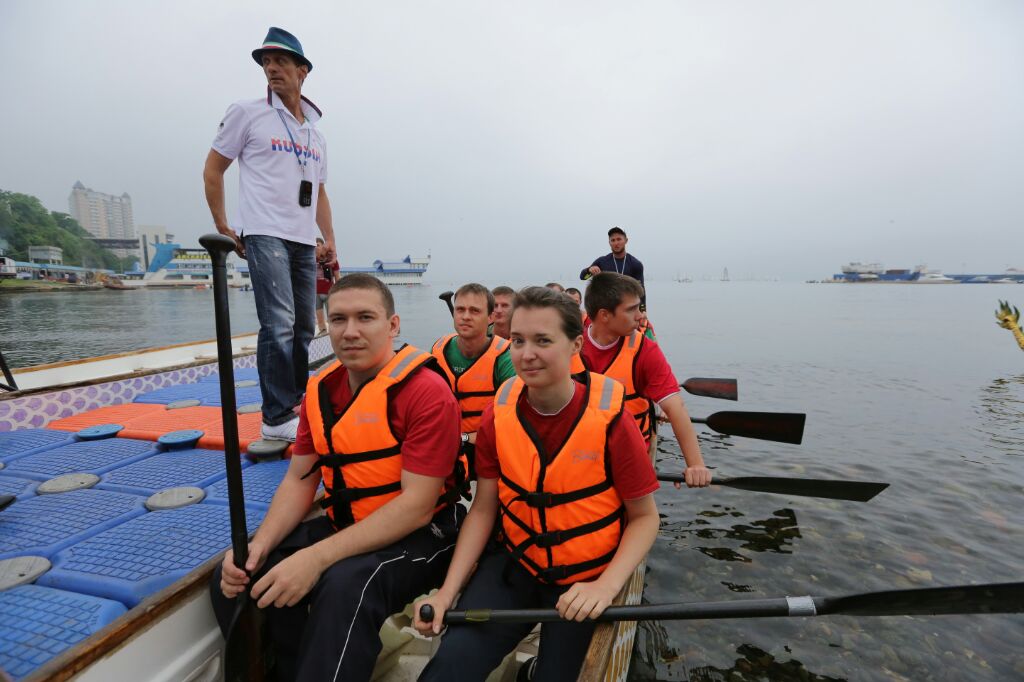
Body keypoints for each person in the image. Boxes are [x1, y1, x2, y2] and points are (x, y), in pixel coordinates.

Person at [210, 274, 465, 681]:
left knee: (346, 585)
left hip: (424, 534)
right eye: (339, 319)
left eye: (365, 317)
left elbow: (417, 507)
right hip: (346, 523)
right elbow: (299, 479)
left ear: (393, 325)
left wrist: (316, 558)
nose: (350, 331)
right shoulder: (320, 391)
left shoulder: (425, 392)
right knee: (243, 572)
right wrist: (259, 545)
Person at [415, 286, 660, 680]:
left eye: (543, 341)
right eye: (517, 340)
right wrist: (447, 591)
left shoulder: (613, 421)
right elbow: (484, 509)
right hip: (516, 565)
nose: (526, 354)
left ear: (575, 345)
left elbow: (645, 518)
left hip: (584, 579)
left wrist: (605, 586)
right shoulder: (498, 415)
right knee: (450, 667)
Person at [203, 27, 336, 442]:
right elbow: (213, 169)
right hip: (263, 232)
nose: (272, 68)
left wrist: (330, 239)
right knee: (278, 323)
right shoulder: (246, 113)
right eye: (266, 62)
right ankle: (276, 418)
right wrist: (224, 224)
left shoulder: (315, 133)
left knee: (304, 327)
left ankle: (294, 404)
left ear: (302, 71)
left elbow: (319, 192)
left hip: (303, 239)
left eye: (281, 61)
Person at [582, 272, 711, 488]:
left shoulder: (645, 351)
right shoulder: (568, 343)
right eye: (631, 309)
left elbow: (675, 407)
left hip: (628, 458)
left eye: (640, 308)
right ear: (604, 315)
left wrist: (696, 464)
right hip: (580, 455)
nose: (641, 316)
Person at [431, 283, 516, 478]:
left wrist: (463, 438)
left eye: (475, 311)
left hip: (488, 446)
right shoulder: (438, 349)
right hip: (444, 445)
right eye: (460, 309)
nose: (466, 316)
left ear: (491, 318)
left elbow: (512, 420)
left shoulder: (505, 357)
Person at [579, 226, 645, 309]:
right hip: (606, 307)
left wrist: (643, 309)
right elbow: (583, 277)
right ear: (609, 243)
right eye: (613, 240)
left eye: (619, 239)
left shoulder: (635, 264)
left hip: (627, 307)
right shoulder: (602, 261)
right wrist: (589, 270)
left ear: (626, 240)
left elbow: (641, 291)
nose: (616, 243)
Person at [314, 237, 340, 334]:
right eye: (314, 246)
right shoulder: (311, 260)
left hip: (329, 292)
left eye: (317, 245)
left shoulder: (332, 260)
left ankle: (334, 333)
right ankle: (323, 332)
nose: (315, 247)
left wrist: (339, 292)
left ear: (323, 246)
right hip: (316, 293)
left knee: (332, 316)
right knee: (320, 317)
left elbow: (337, 277)